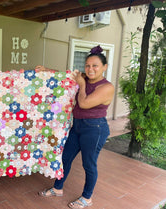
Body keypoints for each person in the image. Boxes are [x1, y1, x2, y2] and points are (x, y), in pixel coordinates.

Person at [37, 45, 115, 209]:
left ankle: (87, 198)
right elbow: (64, 76)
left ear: (104, 67)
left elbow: (84, 103)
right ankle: (58, 188)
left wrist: (82, 83)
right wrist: (46, 70)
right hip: (77, 126)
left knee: (89, 164)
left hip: (95, 129)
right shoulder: (84, 77)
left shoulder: (106, 87)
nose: (90, 69)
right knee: (65, 159)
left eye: (95, 66)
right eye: (87, 65)